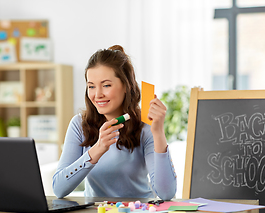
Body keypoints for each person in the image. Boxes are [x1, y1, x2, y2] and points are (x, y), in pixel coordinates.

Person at [52, 45, 177, 200]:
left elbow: (166, 193)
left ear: (126, 86)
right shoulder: (79, 125)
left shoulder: (145, 128)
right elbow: (59, 189)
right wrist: (98, 149)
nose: (97, 95)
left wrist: (158, 132)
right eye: (91, 86)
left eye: (106, 85)